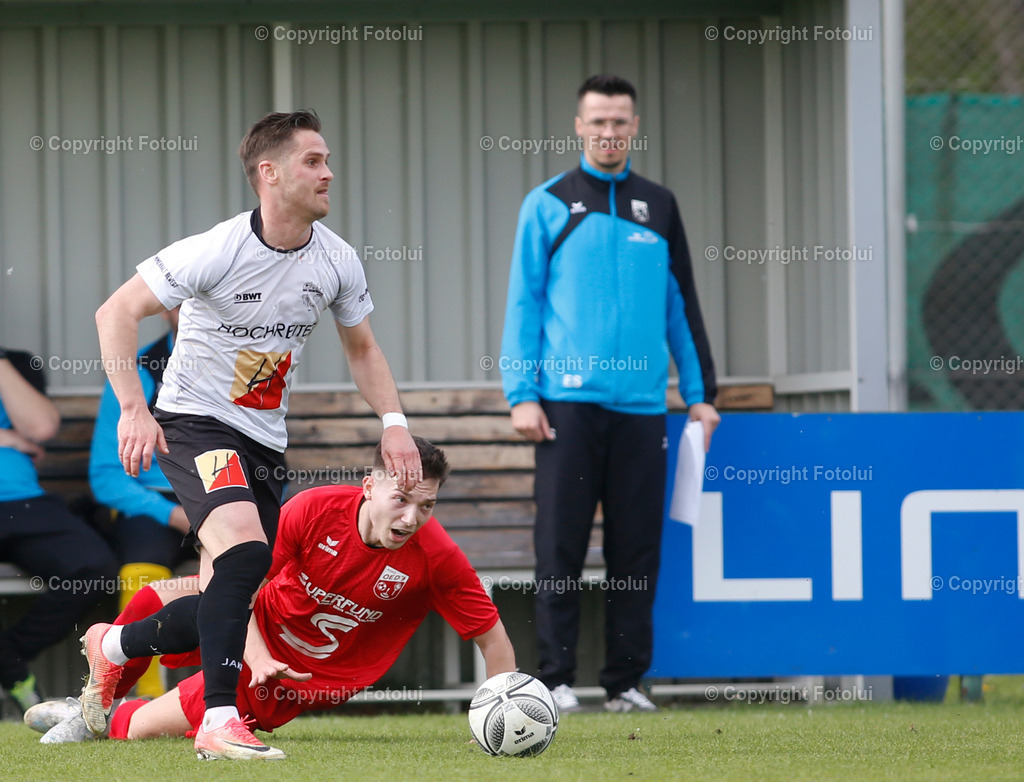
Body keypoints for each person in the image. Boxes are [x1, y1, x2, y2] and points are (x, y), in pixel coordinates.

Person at [88, 109, 421, 759]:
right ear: (269, 174)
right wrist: (135, 406)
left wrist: (395, 425)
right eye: (313, 161)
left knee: (232, 592)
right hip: (195, 423)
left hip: (264, 442)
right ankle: (217, 721)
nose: (328, 173)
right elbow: (116, 311)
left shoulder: (337, 261)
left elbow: (363, 350)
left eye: (327, 160)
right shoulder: (217, 249)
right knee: (243, 556)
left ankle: (113, 644)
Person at [31, 438, 515, 760]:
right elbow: (240, 586)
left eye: (426, 505)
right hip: (256, 624)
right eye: (401, 500)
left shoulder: (438, 558)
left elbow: (494, 643)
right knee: (160, 596)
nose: (411, 517)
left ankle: (106, 718)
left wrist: (497, 715)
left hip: (290, 678)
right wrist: (254, 651)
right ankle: (89, 704)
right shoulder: (315, 508)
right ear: (369, 487)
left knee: (142, 729)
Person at [500, 75, 720, 713]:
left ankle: (625, 683)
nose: (609, 133)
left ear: (634, 126)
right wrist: (522, 393)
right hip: (566, 404)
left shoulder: (661, 204)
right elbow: (524, 304)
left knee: (636, 549)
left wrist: (702, 393)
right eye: (598, 121)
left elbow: (683, 306)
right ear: (579, 126)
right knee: (560, 544)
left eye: (620, 122)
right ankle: (554, 679)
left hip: (643, 409)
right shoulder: (547, 203)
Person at [0, 348, 119, 713]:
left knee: (94, 568)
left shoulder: (15, 364)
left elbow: (41, 427)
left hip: (24, 503)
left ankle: (9, 659)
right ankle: (14, 673)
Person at [89, 306, 195, 698]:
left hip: (224, 492)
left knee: (249, 568)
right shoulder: (138, 373)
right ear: (166, 309)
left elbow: (268, 462)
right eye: (184, 302)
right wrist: (172, 514)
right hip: (157, 503)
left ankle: (234, 694)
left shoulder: (247, 366)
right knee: (140, 570)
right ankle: (144, 695)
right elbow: (106, 476)